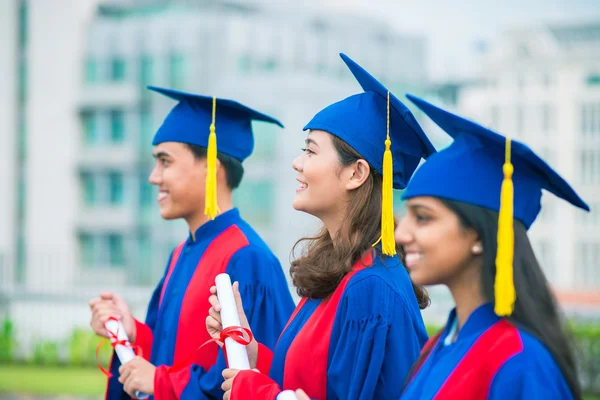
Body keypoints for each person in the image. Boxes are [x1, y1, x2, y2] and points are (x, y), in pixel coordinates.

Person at [207, 53, 437, 400]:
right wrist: (250, 350)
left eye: (311, 151)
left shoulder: (370, 288)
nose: (297, 163)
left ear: (355, 173)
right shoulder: (343, 272)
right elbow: (316, 384)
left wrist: (256, 393)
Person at [89, 87, 295, 400]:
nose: (154, 177)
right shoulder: (180, 254)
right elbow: (169, 355)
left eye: (165, 162)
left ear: (211, 167)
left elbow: (256, 379)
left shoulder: (247, 258)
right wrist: (132, 331)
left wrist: (161, 382)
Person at [396, 94, 588, 399]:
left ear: (478, 234)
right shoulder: (440, 345)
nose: (401, 234)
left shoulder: (519, 362)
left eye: (422, 217)